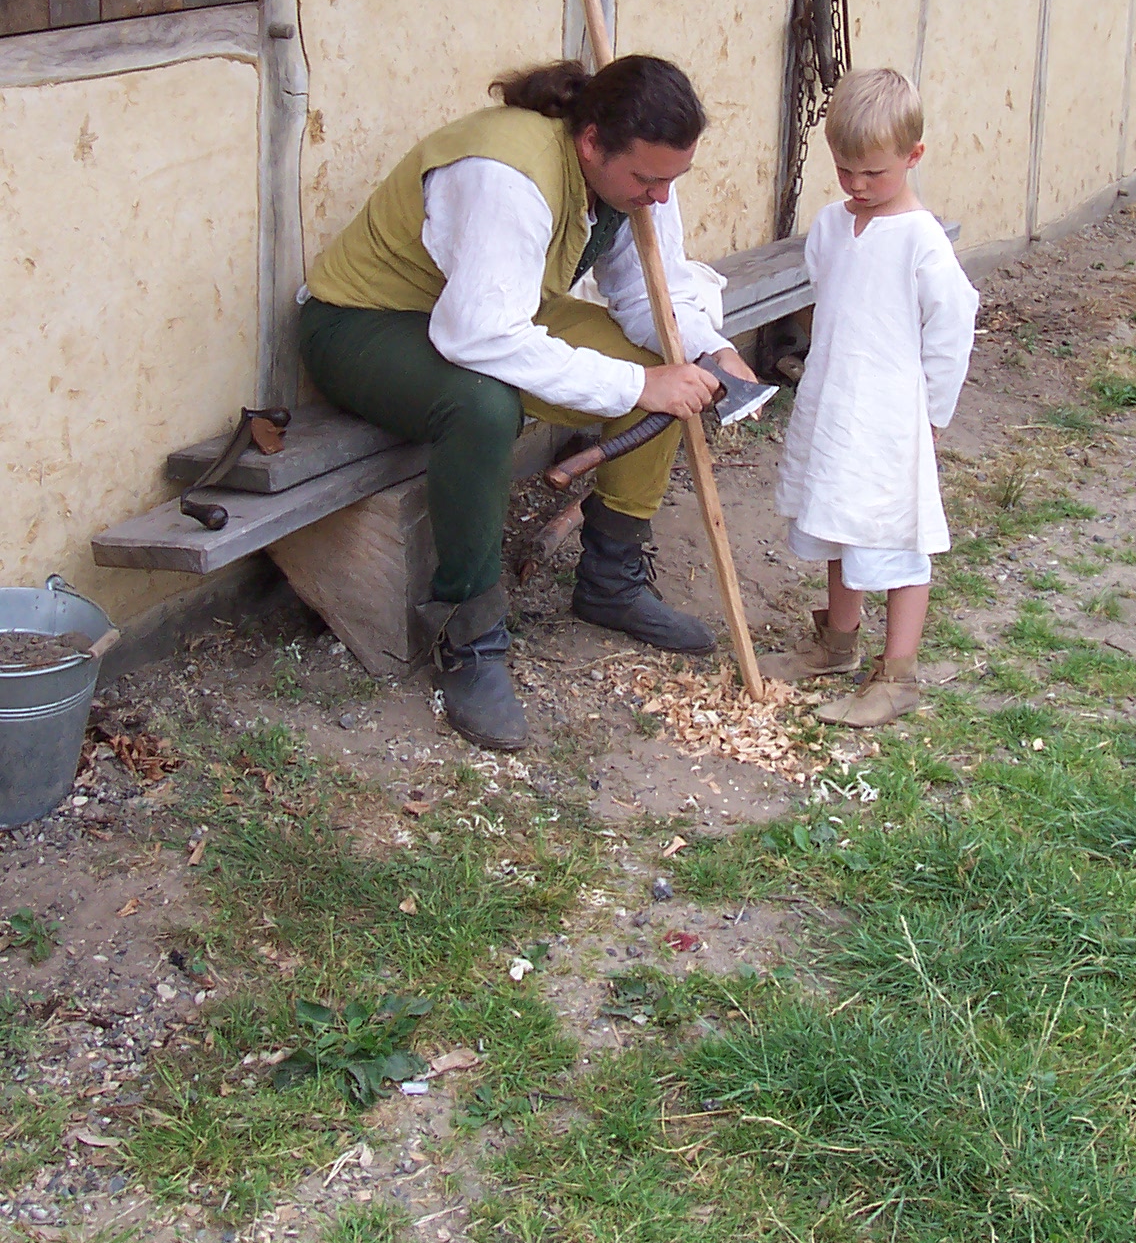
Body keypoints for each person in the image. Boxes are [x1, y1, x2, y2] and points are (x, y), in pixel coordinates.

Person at [298, 55, 755, 752]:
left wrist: (708, 347)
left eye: (672, 179)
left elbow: (645, 298)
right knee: (481, 406)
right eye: (647, 179)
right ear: (592, 141)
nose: (661, 197)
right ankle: (470, 634)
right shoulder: (507, 177)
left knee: (665, 359)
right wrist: (637, 389)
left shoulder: (636, 178)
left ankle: (610, 576)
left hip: (486, 312)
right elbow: (475, 334)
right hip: (366, 322)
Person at [772, 67, 978, 728]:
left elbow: (951, 329)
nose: (858, 187)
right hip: (835, 403)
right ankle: (837, 641)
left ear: (914, 157)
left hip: (891, 416)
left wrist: (933, 416)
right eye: (846, 171)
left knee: (894, 537)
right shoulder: (833, 227)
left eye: (875, 175)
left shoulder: (922, 242)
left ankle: (898, 671)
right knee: (837, 520)